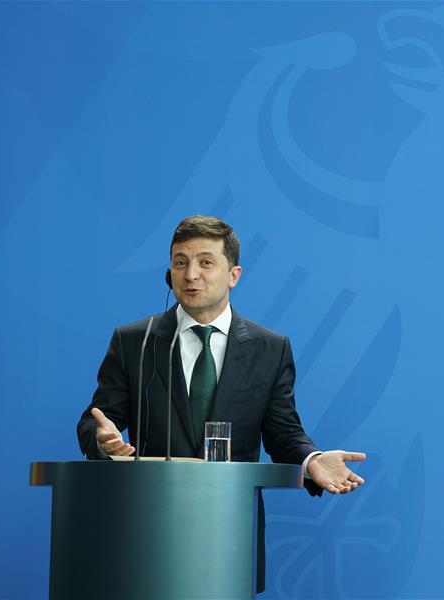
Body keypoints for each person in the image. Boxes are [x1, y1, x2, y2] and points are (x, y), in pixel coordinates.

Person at [77, 215, 365, 592]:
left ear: (234, 275)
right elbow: (96, 421)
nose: (191, 274)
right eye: (180, 262)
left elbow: (283, 433)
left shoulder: (269, 349)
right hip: (147, 529)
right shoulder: (136, 342)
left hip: (229, 533)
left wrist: (312, 461)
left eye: (205, 262)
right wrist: (102, 441)